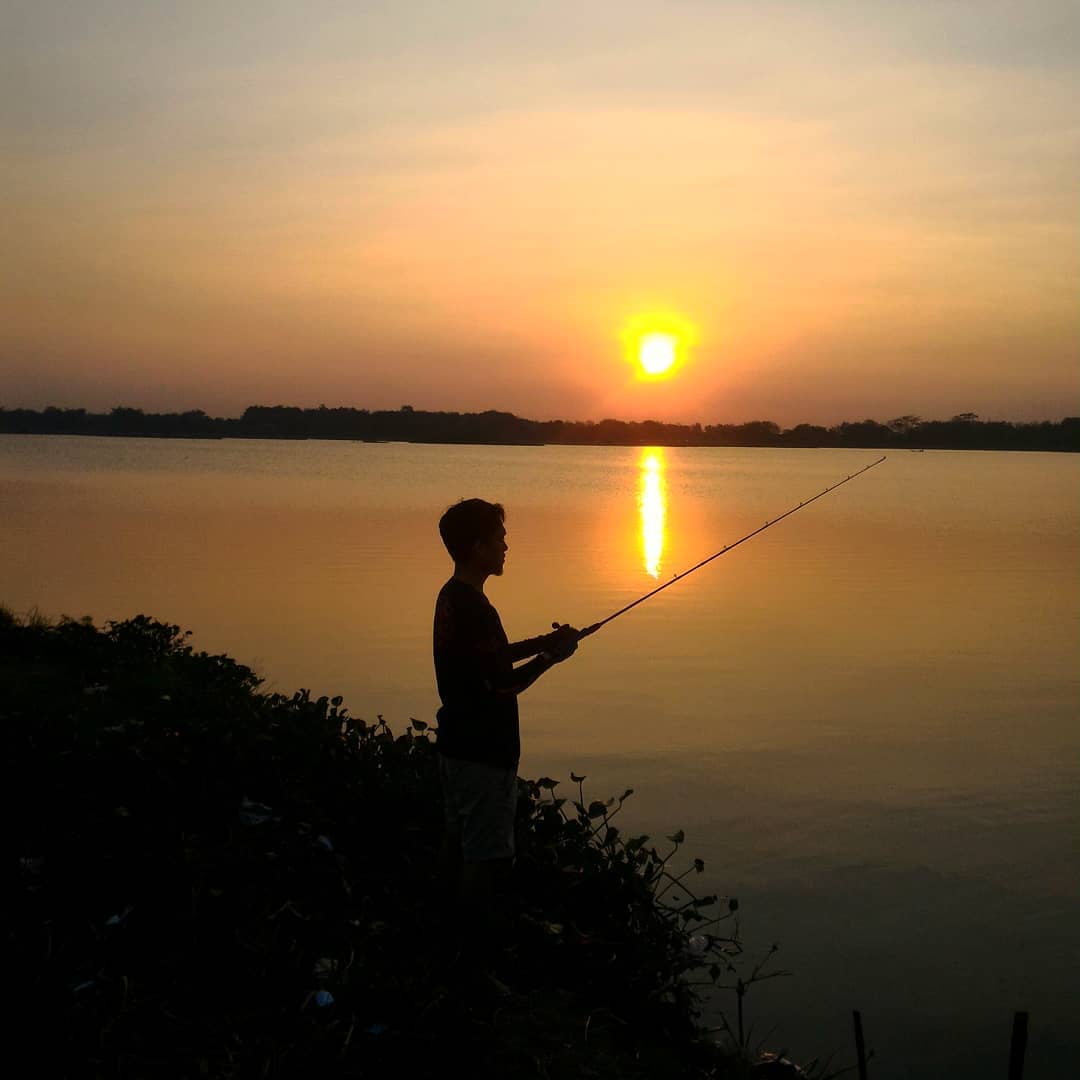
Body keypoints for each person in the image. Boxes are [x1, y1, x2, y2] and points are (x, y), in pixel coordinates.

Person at [432, 498, 579, 992]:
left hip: (454, 743)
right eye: (498, 538)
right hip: (483, 753)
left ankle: (444, 941)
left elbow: (489, 659)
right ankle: (471, 967)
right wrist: (552, 659)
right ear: (477, 548)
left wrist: (542, 641)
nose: (505, 545)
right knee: (486, 859)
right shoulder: (475, 607)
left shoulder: (453, 596)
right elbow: (503, 687)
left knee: (458, 843)